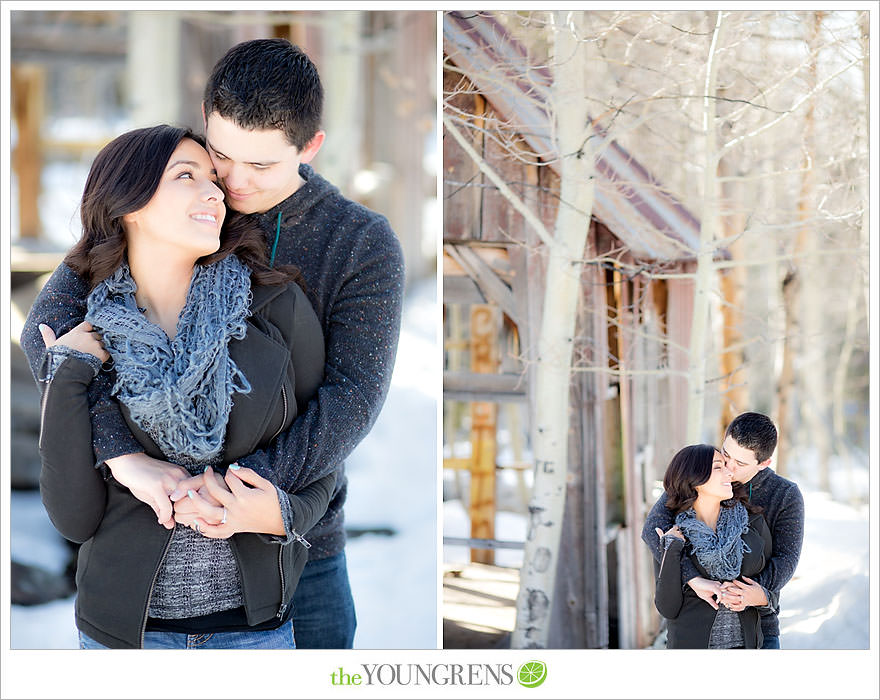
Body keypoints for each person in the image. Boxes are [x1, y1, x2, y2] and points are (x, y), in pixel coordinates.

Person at [21, 38, 405, 649]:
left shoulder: (357, 242)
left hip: (292, 537)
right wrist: (121, 453)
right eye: (223, 157)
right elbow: (48, 338)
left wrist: (241, 492)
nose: (233, 186)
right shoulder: (180, 200)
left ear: (310, 148)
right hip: (143, 547)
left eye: (262, 167)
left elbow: (352, 398)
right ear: (207, 124)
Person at [35, 125, 335, 649]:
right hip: (126, 640)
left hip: (254, 637)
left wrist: (278, 513)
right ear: (128, 203)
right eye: (186, 176)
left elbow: (322, 452)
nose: (215, 191)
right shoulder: (85, 334)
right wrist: (70, 376)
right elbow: (73, 519)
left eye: (213, 179)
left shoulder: (275, 307)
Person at [642, 412, 805, 649]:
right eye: (726, 455)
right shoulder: (704, 474)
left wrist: (747, 593)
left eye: (739, 464)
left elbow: (786, 560)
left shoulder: (784, 495)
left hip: (758, 626)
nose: (728, 467)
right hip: (695, 630)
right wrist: (692, 578)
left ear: (763, 463)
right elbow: (653, 529)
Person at [652, 444, 772, 648]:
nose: (729, 472)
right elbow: (667, 608)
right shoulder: (674, 533)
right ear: (695, 479)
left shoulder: (752, 524)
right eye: (719, 467)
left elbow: (770, 589)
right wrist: (672, 549)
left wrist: (761, 597)